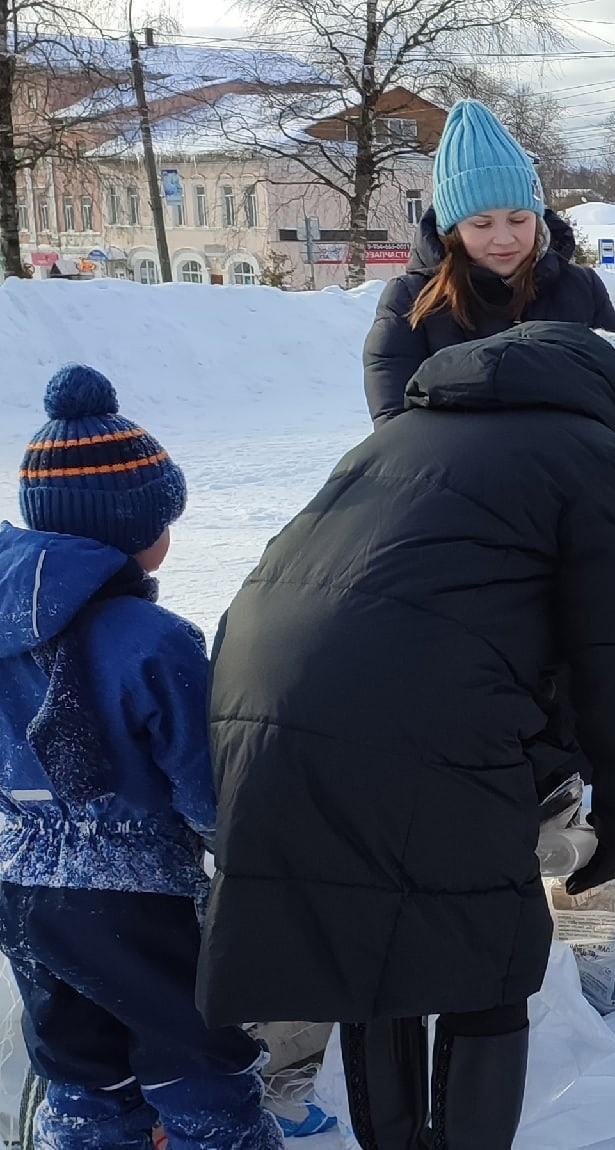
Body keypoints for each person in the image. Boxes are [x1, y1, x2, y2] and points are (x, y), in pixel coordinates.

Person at [197, 323, 615, 1149]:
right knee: (481, 947)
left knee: (371, 951)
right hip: (417, 706)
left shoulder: (392, 440)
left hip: (264, 697)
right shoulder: (597, 458)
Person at [0, 366, 279, 1149]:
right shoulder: (153, 640)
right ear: (132, 531)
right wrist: (244, 850)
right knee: (193, 1060)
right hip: (134, 900)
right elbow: (203, 778)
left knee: (80, 1069)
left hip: (19, 888)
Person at [363, 99, 615, 426]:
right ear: (452, 230)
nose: (504, 239)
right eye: (482, 224)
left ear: (538, 216)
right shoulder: (411, 302)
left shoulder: (581, 289)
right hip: (456, 474)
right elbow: (395, 431)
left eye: (518, 220)